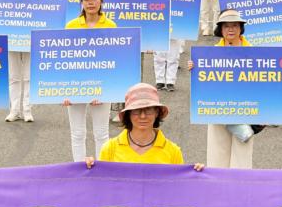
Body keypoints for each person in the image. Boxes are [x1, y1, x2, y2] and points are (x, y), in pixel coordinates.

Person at [64, 0, 115, 160]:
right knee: (77, 133)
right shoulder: (71, 26)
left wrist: (104, 89)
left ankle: (102, 168)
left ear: (101, 1)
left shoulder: (111, 26)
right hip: (76, 86)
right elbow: (64, 60)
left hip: (102, 87)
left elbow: (115, 61)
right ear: (81, 2)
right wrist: (65, 90)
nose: (90, 3)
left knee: (101, 134)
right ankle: (78, 168)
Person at [92, 83, 197, 168]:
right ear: (128, 114)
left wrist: (199, 175)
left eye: (149, 110)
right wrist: (88, 170)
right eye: (136, 111)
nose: (143, 116)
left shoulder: (173, 152)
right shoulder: (110, 149)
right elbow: (101, 187)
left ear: (157, 112)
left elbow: (179, 189)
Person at [202, 9, 257, 168]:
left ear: (241, 28)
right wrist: (195, 67)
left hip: (245, 109)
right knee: (217, 153)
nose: (231, 29)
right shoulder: (209, 54)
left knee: (243, 155)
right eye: (226, 26)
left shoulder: (255, 52)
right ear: (221, 30)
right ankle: (218, 188)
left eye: (235, 25)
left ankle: (240, 189)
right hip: (217, 108)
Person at [6, 0, 35, 122]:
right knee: (14, 77)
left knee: (29, 77)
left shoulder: (36, 1)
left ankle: (27, 110)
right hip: (12, 43)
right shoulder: (5, 2)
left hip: (30, 43)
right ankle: (14, 110)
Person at [153, 0, 183, 91]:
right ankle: (159, 80)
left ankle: (170, 81)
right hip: (158, 30)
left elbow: (190, 1)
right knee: (159, 57)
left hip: (175, 29)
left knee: (173, 57)